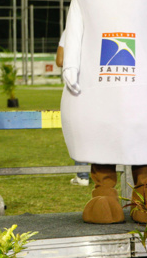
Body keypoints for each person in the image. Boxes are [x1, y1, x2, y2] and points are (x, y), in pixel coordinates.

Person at [56, 31, 89, 187]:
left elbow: (60, 60)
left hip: (77, 87)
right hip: (101, 86)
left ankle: (83, 175)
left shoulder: (70, 31)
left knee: (79, 130)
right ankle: (103, 174)